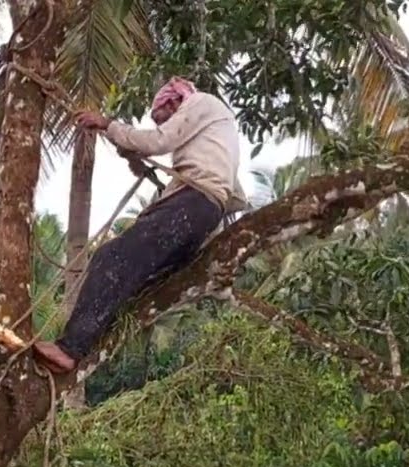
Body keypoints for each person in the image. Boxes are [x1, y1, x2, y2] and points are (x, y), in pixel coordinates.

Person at [32, 77, 247, 374]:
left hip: (190, 203)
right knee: (141, 284)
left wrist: (108, 125)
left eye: (164, 117)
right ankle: (85, 350)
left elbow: (159, 141)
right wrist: (138, 161)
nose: (167, 123)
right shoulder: (217, 137)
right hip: (203, 213)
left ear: (173, 102)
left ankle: (70, 349)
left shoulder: (200, 102)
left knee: (111, 258)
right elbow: (234, 195)